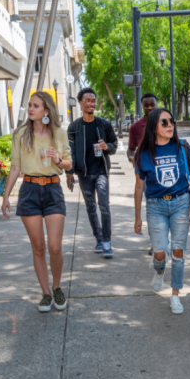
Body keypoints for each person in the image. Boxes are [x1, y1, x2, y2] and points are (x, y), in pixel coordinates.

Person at [2, 91, 73, 312]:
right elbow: (15, 167)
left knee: (54, 246)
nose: (31, 109)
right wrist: (5, 196)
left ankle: (57, 287)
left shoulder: (58, 134)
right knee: (39, 247)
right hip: (30, 190)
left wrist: (57, 160)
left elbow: (69, 165)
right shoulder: (21, 134)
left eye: (36, 106)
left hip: (53, 189)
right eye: (30, 106)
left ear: (46, 110)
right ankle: (45, 293)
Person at [133, 108, 190, 315]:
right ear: (154, 126)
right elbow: (138, 187)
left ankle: (175, 294)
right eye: (164, 122)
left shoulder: (182, 146)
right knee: (160, 251)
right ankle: (159, 270)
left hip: (181, 202)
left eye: (171, 121)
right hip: (156, 206)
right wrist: (137, 217)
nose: (170, 125)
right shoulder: (143, 153)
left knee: (178, 252)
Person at [68, 87, 118, 258]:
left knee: (104, 206)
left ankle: (106, 241)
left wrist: (107, 147)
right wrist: (70, 173)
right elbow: (71, 152)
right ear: (80, 104)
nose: (91, 103)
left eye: (94, 100)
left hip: (101, 171)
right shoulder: (74, 127)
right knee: (90, 207)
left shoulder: (104, 124)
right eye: (88, 100)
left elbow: (114, 145)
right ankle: (98, 238)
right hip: (84, 174)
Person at [128, 93, 159, 256]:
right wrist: (132, 159)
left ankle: (160, 241)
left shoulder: (164, 123)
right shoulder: (135, 127)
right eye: (146, 105)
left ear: (156, 104)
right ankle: (156, 243)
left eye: (152, 104)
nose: (149, 108)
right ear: (142, 107)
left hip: (164, 172)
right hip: (146, 175)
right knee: (152, 209)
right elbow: (130, 150)